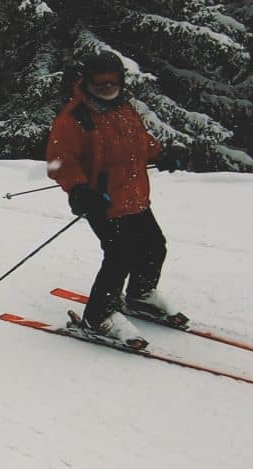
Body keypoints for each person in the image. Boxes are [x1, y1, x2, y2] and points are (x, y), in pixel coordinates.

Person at [45, 50, 189, 344]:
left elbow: (138, 143)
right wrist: (79, 190)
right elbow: (58, 162)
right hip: (102, 202)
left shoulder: (125, 109)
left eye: (113, 82)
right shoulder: (75, 118)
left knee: (154, 246)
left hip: (134, 195)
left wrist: (162, 154)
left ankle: (141, 295)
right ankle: (98, 316)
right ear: (86, 82)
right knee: (120, 254)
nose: (107, 88)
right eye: (100, 83)